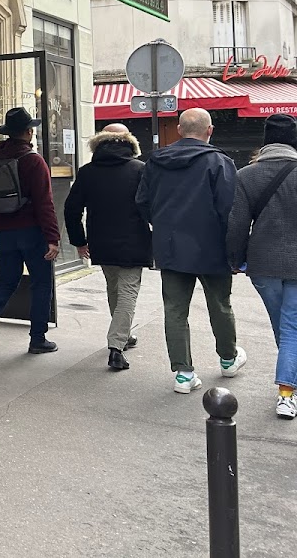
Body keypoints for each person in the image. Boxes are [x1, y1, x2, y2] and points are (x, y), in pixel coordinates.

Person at [136, 107, 246, 394]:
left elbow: (142, 201)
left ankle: (183, 374)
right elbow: (230, 210)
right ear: (209, 131)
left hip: (170, 246)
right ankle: (228, 359)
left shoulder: (155, 161)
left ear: (180, 130)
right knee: (220, 305)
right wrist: (235, 251)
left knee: (174, 309)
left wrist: (161, 226)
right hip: (212, 247)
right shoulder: (220, 162)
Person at [0, 107, 61, 358]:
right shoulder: (33, 161)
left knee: (7, 280)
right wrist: (52, 238)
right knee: (41, 283)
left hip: (3, 231)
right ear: (28, 132)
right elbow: (45, 202)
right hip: (32, 232)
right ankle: (37, 339)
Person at [225, 113, 297, 419]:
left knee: (285, 326)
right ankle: (286, 393)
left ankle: (289, 385)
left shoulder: (246, 175)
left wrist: (234, 260)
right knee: (291, 327)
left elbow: (237, 225)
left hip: (263, 264)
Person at [63, 123, 152, 371]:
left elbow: (71, 209)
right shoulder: (140, 169)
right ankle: (116, 347)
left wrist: (79, 241)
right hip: (134, 240)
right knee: (128, 293)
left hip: (100, 241)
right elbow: (151, 206)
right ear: (128, 141)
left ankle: (123, 335)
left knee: (114, 288)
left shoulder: (87, 172)